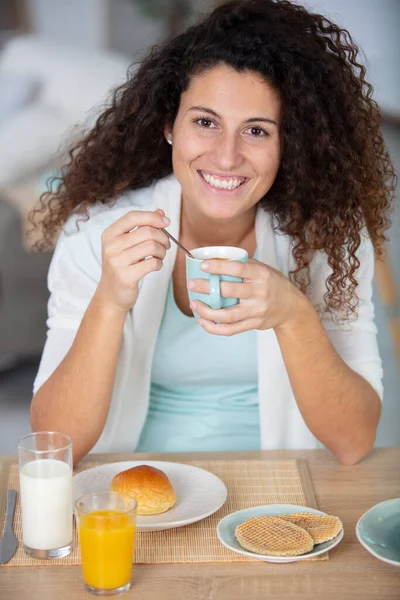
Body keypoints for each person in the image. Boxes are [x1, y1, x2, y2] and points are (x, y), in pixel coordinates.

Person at [29, 0, 396, 466]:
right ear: (169, 125)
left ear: (291, 142)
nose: (226, 157)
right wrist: (109, 300)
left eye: (257, 131)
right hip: (137, 495)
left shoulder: (326, 236)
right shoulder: (97, 231)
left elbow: (354, 440)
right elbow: (53, 444)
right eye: (205, 122)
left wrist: (293, 315)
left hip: (280, 495)